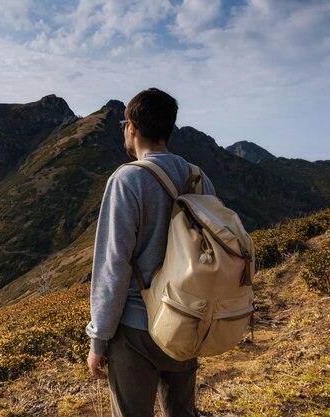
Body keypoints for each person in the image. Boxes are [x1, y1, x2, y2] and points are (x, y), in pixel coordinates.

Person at [85, 88, 216, 417]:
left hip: (136, 329)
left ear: (131, 126)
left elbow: (112, 268)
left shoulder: (127, 180)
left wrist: (98, 339)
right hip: (188, 319)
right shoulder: (199, 178)